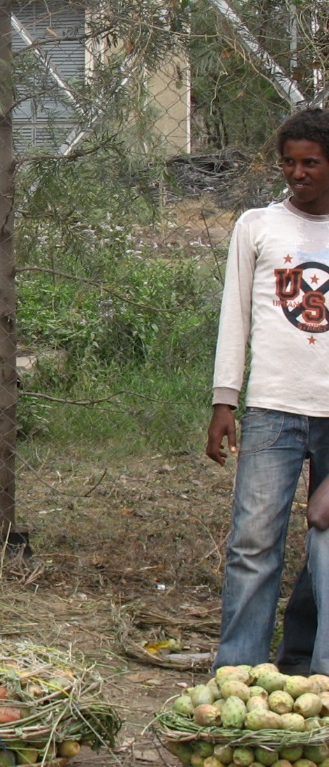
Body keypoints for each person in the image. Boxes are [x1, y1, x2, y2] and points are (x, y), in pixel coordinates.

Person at [209, 107, 329, 674]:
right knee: (254, 544)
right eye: (288, 162)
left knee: (324, 548)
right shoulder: (257, 226)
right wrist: (224, 398)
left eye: (310, 163)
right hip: (272, 408)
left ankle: (304, 663)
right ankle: (237, 671)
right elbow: (235, 315)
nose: (297, 173)